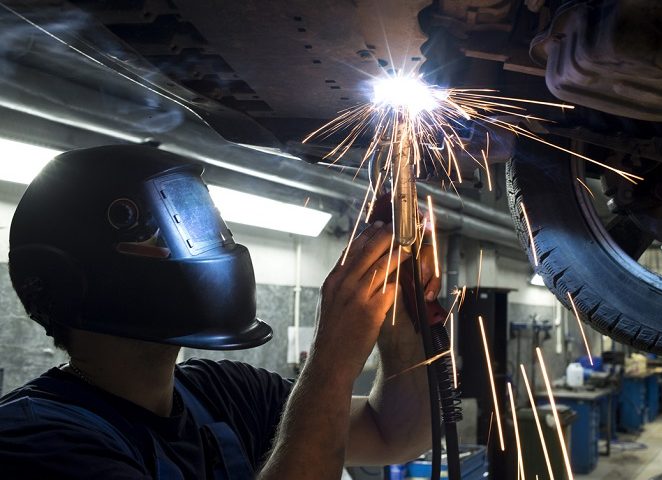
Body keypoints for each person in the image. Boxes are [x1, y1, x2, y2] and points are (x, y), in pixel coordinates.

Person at [0, 145, 439, 479]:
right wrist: (334, 357)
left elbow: (394, 434)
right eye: (168, 231)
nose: (210, 243)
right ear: (90, 265)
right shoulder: (35, 440)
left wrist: (397, 323)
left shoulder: (226, 393)